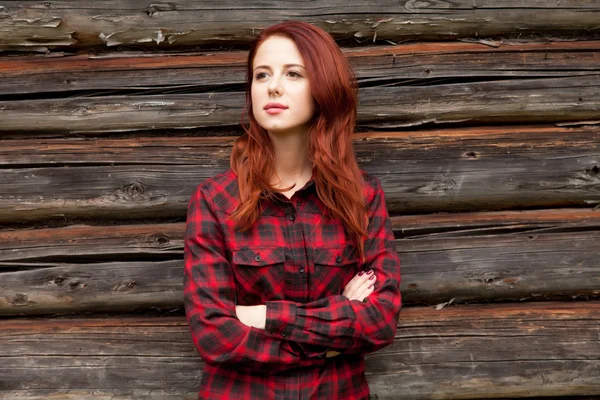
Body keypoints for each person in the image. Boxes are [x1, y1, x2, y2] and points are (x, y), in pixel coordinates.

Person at [184, 20, 402, 400]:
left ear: (324, 88)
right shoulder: (216, 201)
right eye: (261, 74)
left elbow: (380, 320)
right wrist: (336, 323)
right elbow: (214, 335)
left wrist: (261, 315)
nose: (273, 86)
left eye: (294, 74)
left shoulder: (362, 196)